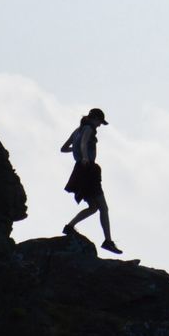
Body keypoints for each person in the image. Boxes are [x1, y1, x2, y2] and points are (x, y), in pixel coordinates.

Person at [61, 107, 137, 261]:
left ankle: (69, 227)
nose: (99, 125)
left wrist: (76, 152)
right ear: (93, 118)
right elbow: (83, 143)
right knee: (103, 207)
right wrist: (84, 157)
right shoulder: (88, 128)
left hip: (79, 170)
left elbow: (63, 149)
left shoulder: (77, 130)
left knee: (94, 207)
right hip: (88, 169)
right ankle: (108, 241)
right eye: (99, 122)